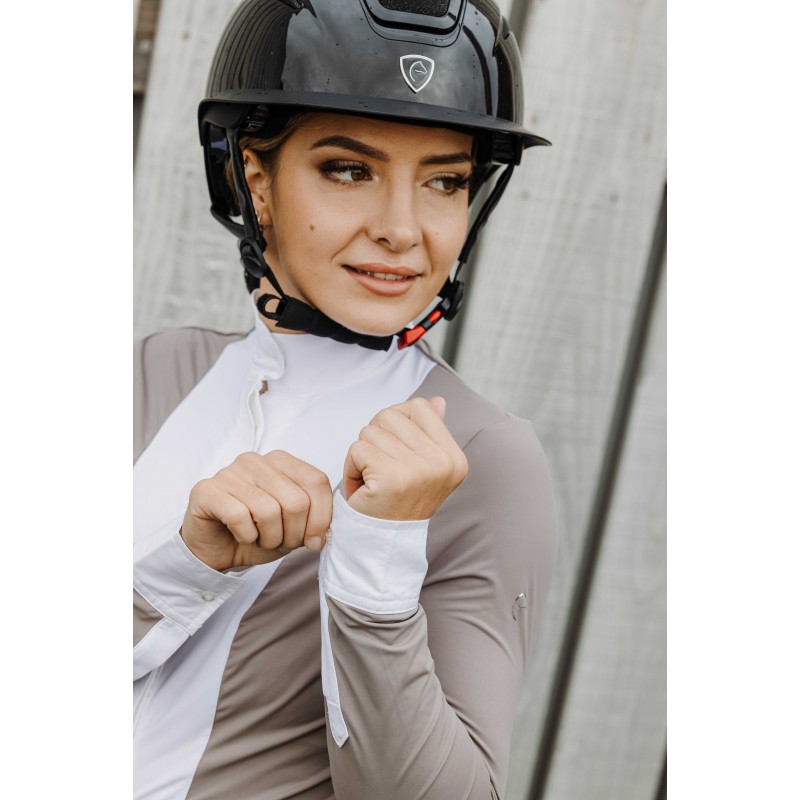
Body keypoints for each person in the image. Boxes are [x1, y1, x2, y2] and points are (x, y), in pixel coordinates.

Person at [133, 1, 558, 798]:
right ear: (256, 180)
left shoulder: (486, 457)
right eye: (350, 170)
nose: (402, 229)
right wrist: (183, 567)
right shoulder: (152, 370)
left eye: (445, 181)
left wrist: (378, 565)